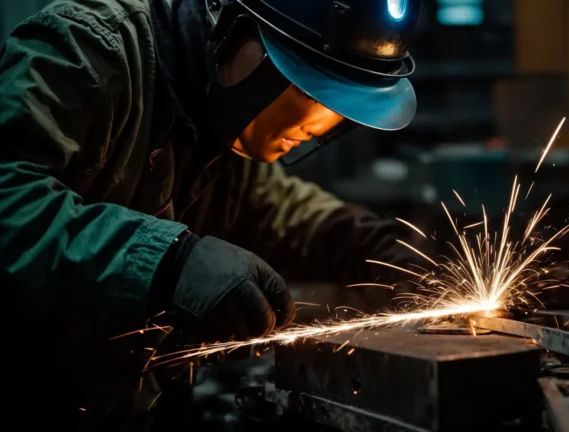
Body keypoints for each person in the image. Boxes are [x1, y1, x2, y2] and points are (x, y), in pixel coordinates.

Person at [0, 0, 422, 429]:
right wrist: (168, 263)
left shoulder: (215, 113)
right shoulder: (85, 49)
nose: (321, 124)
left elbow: (269, 206)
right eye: (311, 92)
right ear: (231, 26)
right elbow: (10, 201)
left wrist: (371, 244)